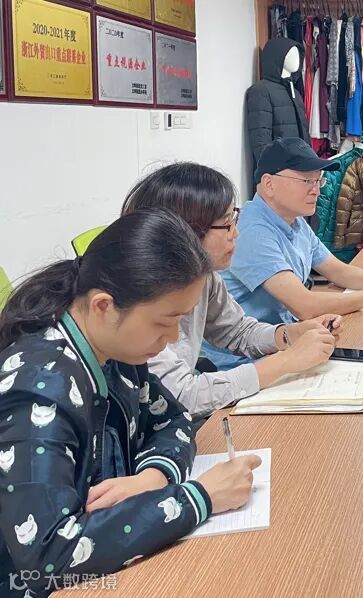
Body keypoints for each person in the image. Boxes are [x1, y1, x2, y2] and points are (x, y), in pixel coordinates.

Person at [0, 211, 260, 598]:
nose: (171, 338)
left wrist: (152, 477)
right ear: (104, 306)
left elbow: (173, 419)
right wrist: (199, 499)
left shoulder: (115, 350)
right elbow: (47, 557)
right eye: (164, 322)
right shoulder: (39, 393)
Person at [121, 163, 341, 418]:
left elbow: (236, 330)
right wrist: (286, 361)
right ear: (183, 231)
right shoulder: (139, 300)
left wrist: (289, 335)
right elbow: (181, 396)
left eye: (233, 220)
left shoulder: (204, 276)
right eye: (226, 224)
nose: (236, 234)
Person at [206, 137, 363, 370]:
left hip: (283, 342)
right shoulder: (252, 231)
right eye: (306, 181)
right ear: (269, 184)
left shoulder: (294, 220)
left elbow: (337, 271)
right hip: (245, 361)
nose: (316, 190)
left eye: (318, 181)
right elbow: (305, 306)